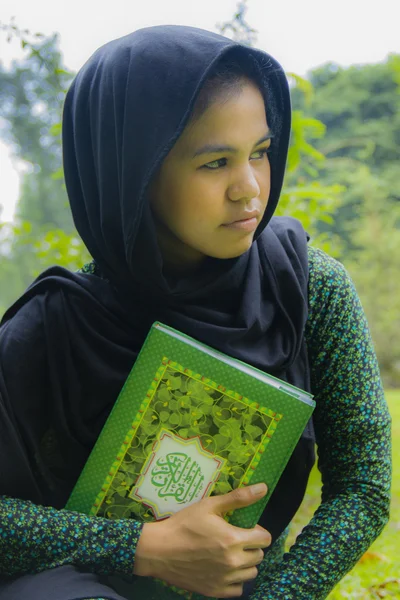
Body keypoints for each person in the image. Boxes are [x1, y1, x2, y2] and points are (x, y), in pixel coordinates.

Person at [0, 24, 391, 600]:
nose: (250, 189)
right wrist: (140, 549)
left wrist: (275, 595)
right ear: (133, 174)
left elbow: (364, 486)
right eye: (214, 163)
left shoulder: (307, 287)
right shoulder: (56, 325)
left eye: (260, 153)